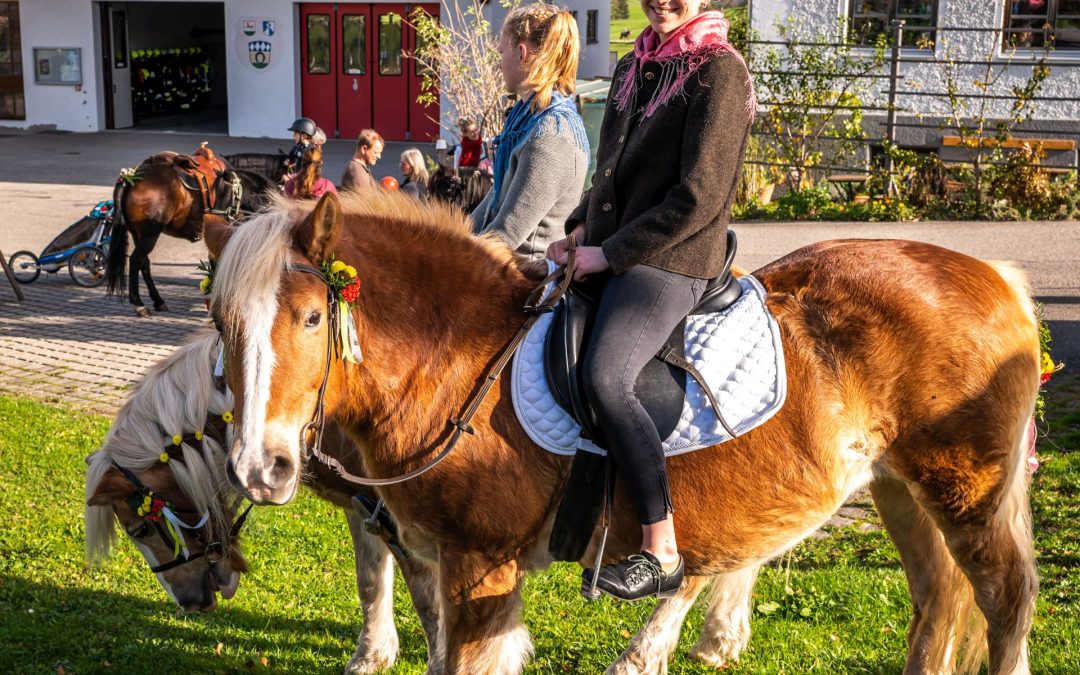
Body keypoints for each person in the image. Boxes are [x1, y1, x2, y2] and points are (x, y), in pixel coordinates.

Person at [547, 0, 755, 601]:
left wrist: (610, 255)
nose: (663, 1)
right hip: (616, 243)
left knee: (609, 377)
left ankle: (659, 549)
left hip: (674, 257)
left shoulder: (719, 71)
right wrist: (582, 228)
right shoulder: (634, 63)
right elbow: (608, 177)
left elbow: (698, 198)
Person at [470, 3, 589, 261]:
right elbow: (493, 204)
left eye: (502, 52)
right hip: (503, 269)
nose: (499, 63)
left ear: (521, 53)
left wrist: (445, 252)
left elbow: (506, 235)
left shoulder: (551, 135)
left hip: (525, 280)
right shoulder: (527, 120)